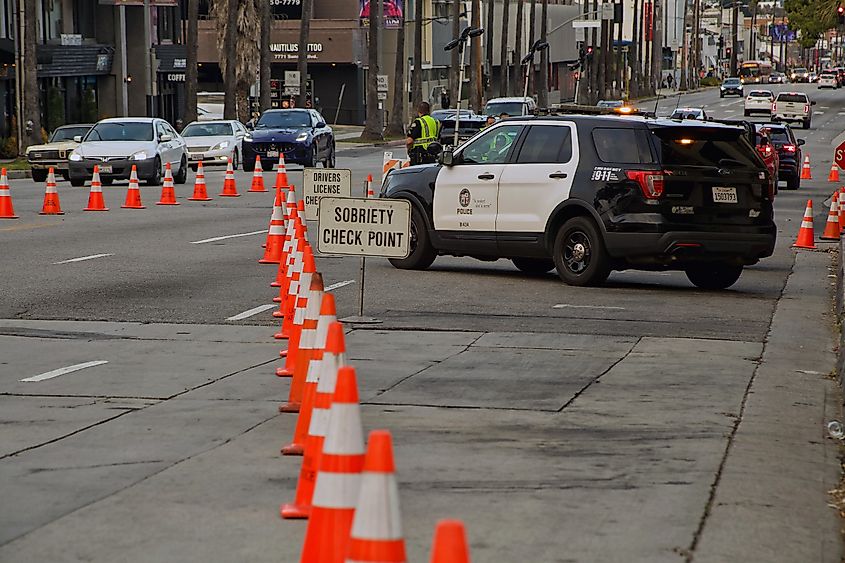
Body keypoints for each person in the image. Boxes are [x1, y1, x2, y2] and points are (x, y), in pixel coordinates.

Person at [406, 101, 440, 166]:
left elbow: (409, 141)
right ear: (429, 110)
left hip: (420, 156)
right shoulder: (436, 122)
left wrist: (409, 150)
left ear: (419, 111)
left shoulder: (418, 122)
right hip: (434, 155)